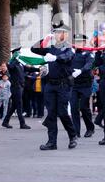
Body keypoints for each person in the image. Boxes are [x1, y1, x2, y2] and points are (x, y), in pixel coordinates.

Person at [31, 21, 78, 150]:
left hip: (63, 85)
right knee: (51, 114)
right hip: (50, 85)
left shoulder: (70, 48)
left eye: (59, 32)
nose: (56, 35)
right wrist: (45, 38)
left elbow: (66, 57)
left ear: (65, 34)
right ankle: (52, 142)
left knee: (62, 113)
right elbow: (33, 49)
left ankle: (72, 136)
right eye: (55, 32)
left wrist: (55, 58)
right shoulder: (51, 48)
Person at [70, 34, 95, 138]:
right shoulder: (72, 54)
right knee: (74, 107)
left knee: (84, 108)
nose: (78, 43)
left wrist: (81, 71)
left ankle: (90, 128)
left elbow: (89, 64)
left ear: (84, 42)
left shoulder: (89, 53)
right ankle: (76, 131)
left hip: (85, 83)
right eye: (76, 41)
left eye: (80, 41)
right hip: (74, 84)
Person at [2, 47, 32, 130]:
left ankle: (5, 122)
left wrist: (38, 69)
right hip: (16, 87)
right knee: (19, 105)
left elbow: (28, 68)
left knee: (14, 106)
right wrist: (14, 58)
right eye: (18, 53)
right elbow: (10, 67)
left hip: (21, 87)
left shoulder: (20, 64)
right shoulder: (12, 64)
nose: (20, 54)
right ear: (15, 54)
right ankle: (22, 123)